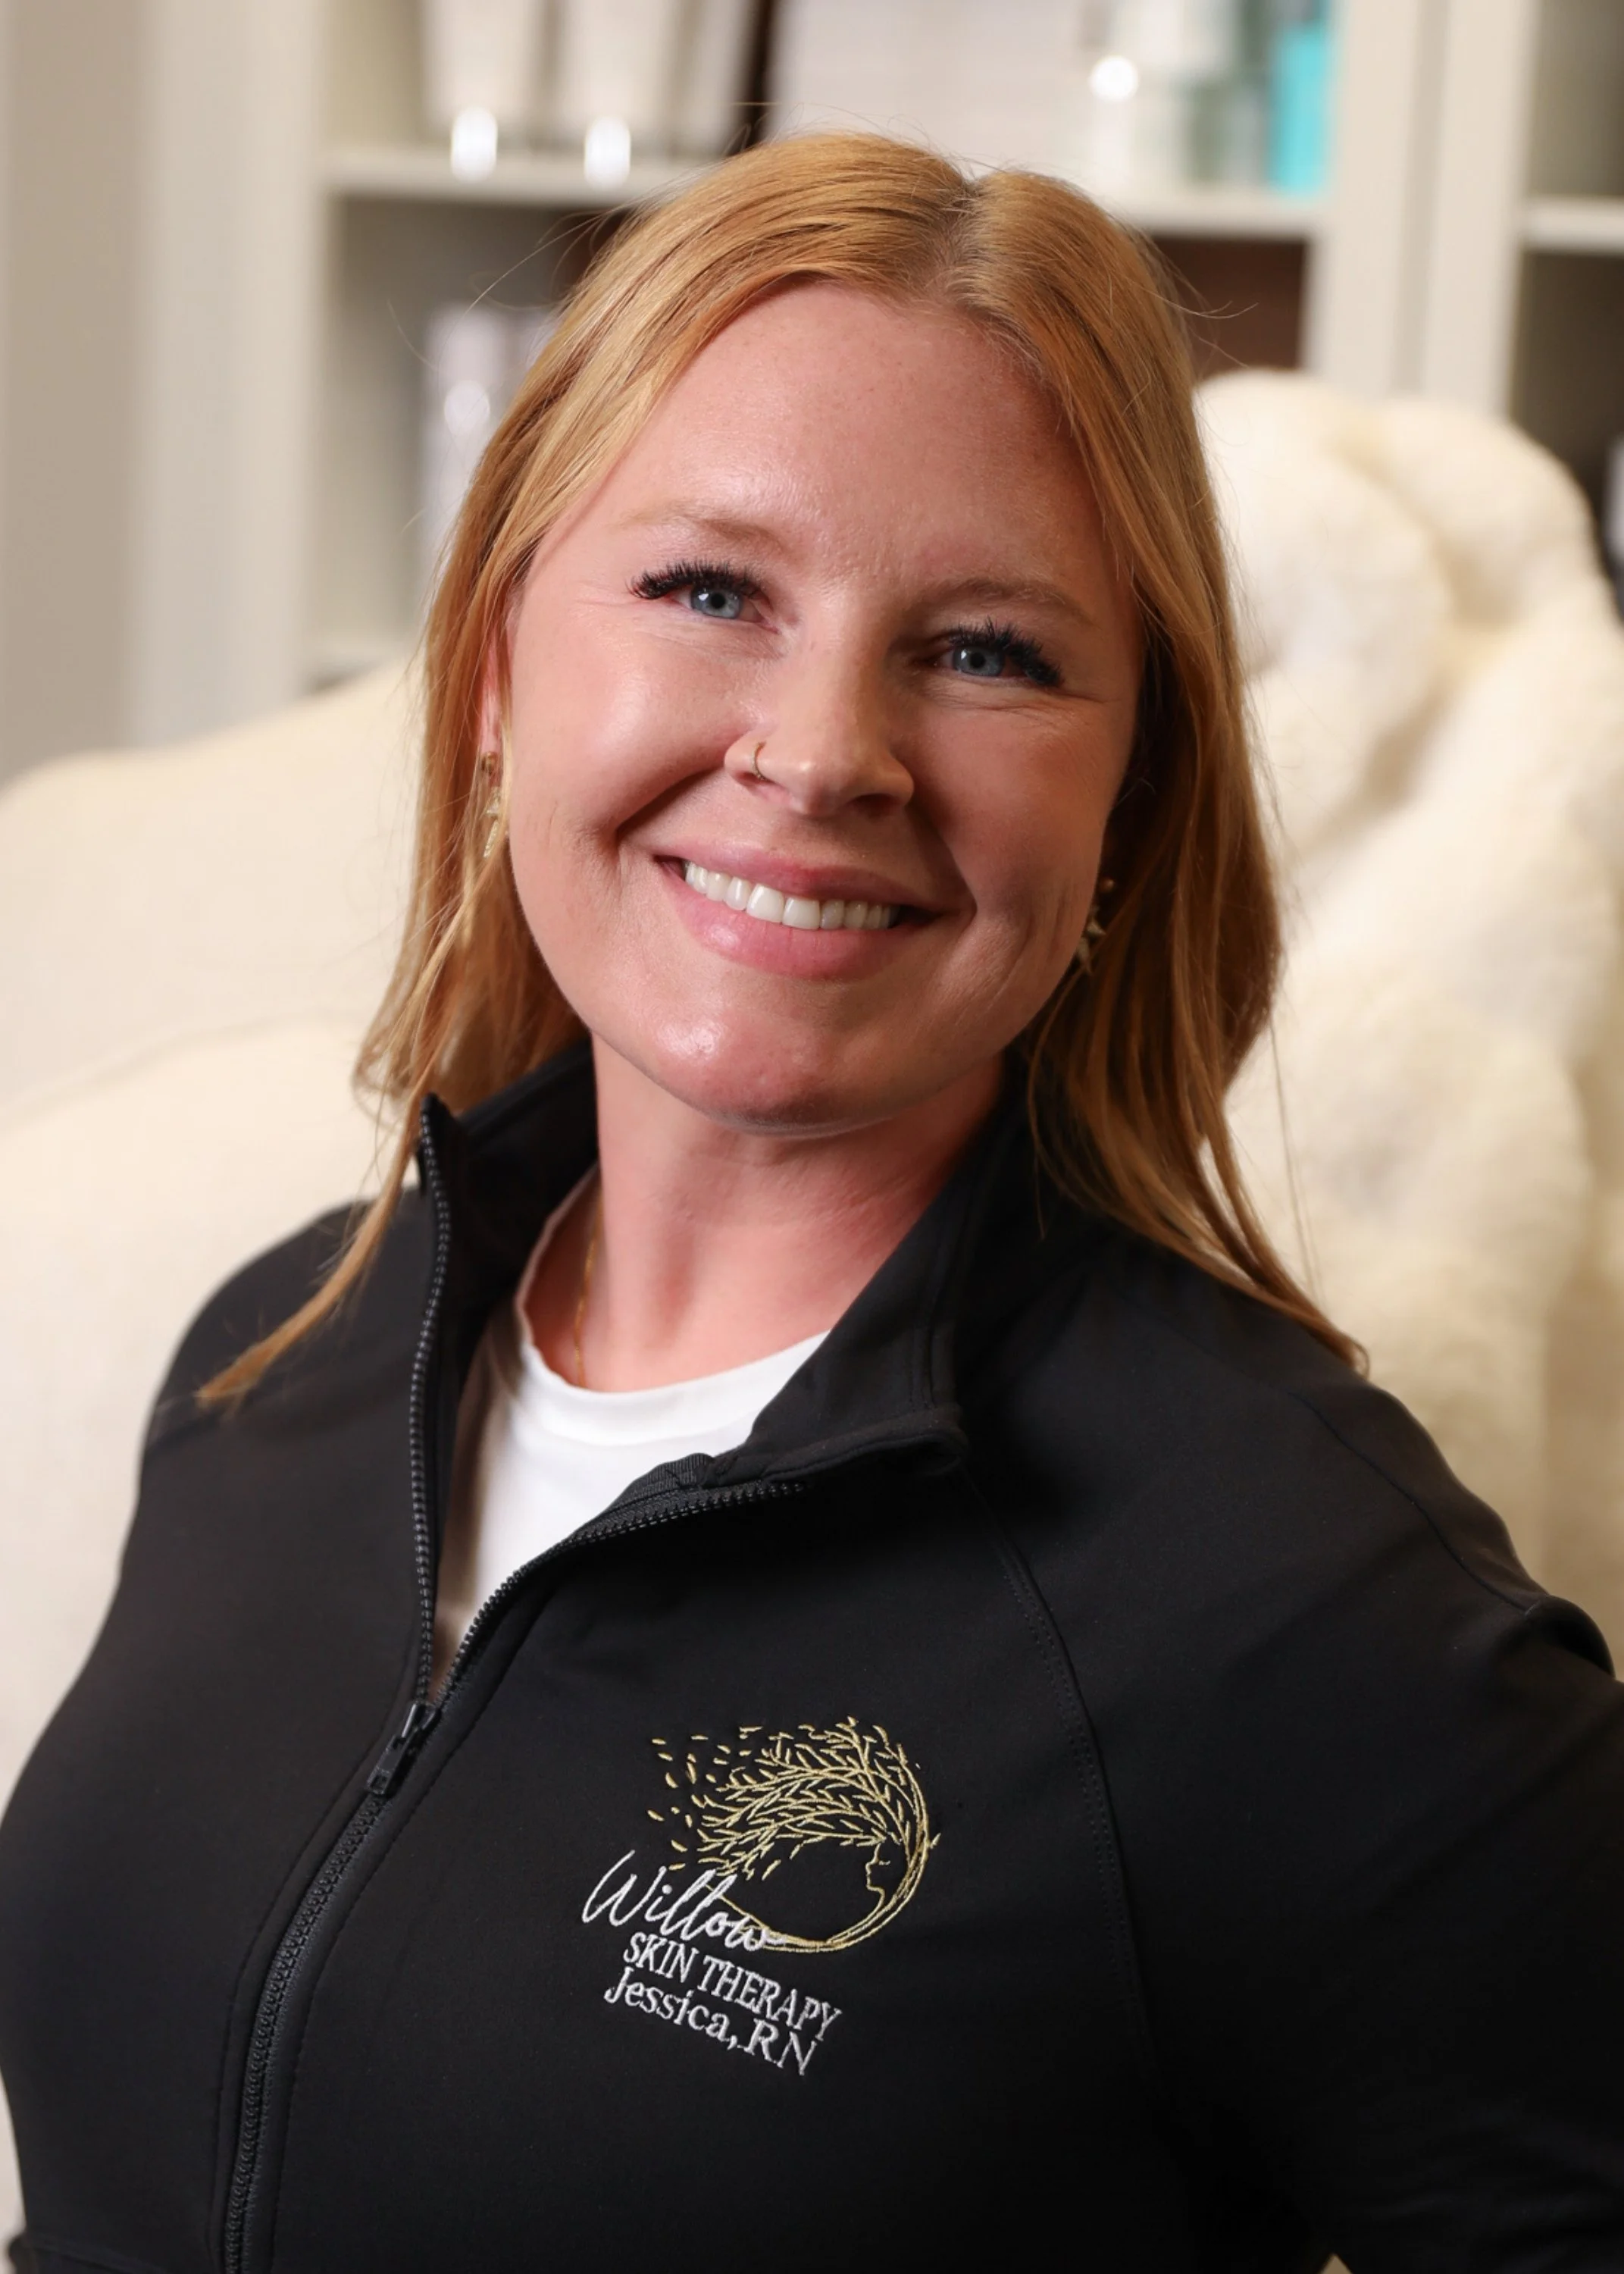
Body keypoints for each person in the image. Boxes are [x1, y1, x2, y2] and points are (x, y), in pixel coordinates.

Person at [1, 131, 1621, 2274]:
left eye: (984, 652)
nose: (824, 747)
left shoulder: (1294, 1602)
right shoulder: (279, 1355)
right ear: (497, 669)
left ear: (1127, 790)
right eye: (707, 591)